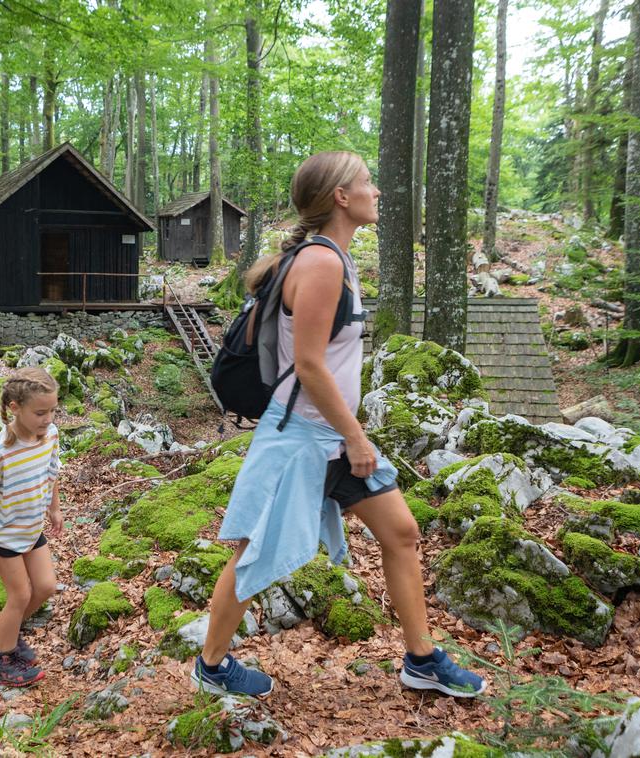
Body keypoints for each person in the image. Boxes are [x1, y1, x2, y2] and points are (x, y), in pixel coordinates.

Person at [192, 152, 487, 699]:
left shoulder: (332, 258)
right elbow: (308, 364)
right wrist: (356, 437)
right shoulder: (322, 264)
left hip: (328, 435)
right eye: (367, 183)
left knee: (401, 533)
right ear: (341, 198)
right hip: (302, 438)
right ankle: (211, 666)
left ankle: (421, 659)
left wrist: (349, 435)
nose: (378, 192)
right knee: (251, 553)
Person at [0, 367, 64, 687]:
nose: (47, 418)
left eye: (52, 410)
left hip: (31, 528)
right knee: (20, 594)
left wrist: (54, 508)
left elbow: (52, 473)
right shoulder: (1, 450)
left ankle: (5, 630)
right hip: (3, 533)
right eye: (39, 412)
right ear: (15, 408)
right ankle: (6, 660)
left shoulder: (50, 435)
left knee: (47, 586)